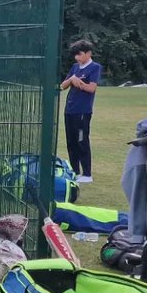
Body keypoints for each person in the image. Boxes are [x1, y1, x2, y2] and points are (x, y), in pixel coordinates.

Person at [60, 39, 102, 184]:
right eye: (75, 55)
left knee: (81, 140)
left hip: (83, 111)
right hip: (69, 110)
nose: (77, 58)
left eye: (80, 54)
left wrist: (79, 83)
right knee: (71, 141)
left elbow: (91, 88)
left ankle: (87, 173)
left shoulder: (95, 67)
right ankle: (75, 171)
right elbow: (62, 86)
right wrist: (71, 79)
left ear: (88, 53)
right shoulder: (74, 67)